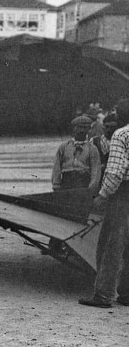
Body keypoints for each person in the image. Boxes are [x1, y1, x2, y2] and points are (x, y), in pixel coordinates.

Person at [79, 99, 129, 308]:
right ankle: (126, 294)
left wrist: (103, 194)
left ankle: (103, 294)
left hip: (123, 194)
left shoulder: (121, 135)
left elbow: (116, 171)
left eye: (117, 112)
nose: (114, 116)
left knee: (111, 245)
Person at [51, 115, 101, 194]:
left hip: (83, 183)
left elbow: (96, 170)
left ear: (88, 129)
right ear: (73, 128)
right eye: (79, 127)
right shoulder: (64, 146)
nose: (81, 130)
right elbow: (57, 167)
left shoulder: (92, 149)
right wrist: (56, 185)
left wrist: (91, 188)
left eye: (85, 128)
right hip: (66, 182)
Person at [92, 113, 119, 182]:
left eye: (113, 128)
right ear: (103, 126)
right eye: (107, 127)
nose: (109, 130)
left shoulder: (121, 142)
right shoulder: (94, 141)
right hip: (99, 179)